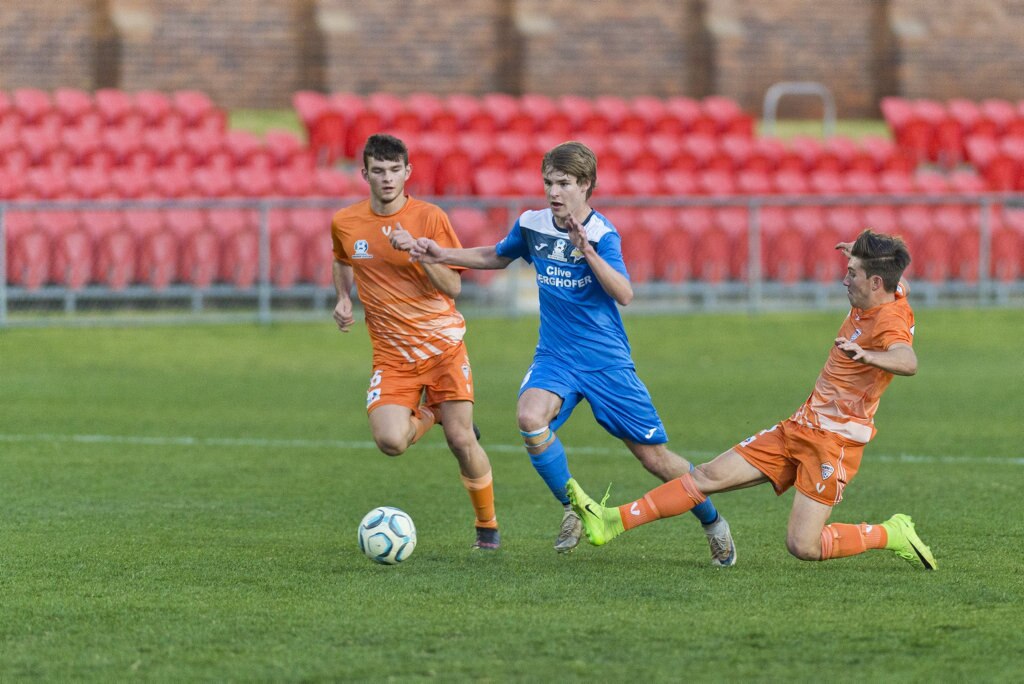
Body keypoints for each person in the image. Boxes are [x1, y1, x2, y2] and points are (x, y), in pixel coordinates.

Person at [404, 141, 735, 564]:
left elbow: (625, 293)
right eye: (548, 182)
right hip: (556, 357)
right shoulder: (533, 224)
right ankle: (574, 509)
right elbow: (497, 255)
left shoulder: (601, 233)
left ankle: (713, 522)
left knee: (655, 459)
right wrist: (442, 253)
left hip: (605, 362)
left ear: (585, 185)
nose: (553, 192)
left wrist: (587, 251)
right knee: (529, 416)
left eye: (563, 183)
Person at [567, 229, 937, 570]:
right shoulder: (888, 286)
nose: (845, 279)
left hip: (833, 444)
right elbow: (892, 269)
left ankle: (891, 533)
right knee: (707, 475)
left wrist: (868, 356)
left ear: (875, 283)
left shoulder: (889, 321)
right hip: (800, 425)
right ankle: (611, 521)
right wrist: (857, 253)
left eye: (852, 273)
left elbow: (908, 360)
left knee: (803, 545)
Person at [331, 133, 500, 550]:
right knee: (391, 442)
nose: (387, 179)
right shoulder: (345, 222)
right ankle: (433, 413)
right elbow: (341, 258)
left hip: (443, 348)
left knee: (463, 440)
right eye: (378, 171)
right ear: (365, 173)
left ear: (407, 172)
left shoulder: (429, 218)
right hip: (392, 357)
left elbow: (453, 288)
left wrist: (423, 255)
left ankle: (487, 529)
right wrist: (342, 298)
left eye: (394, 170)